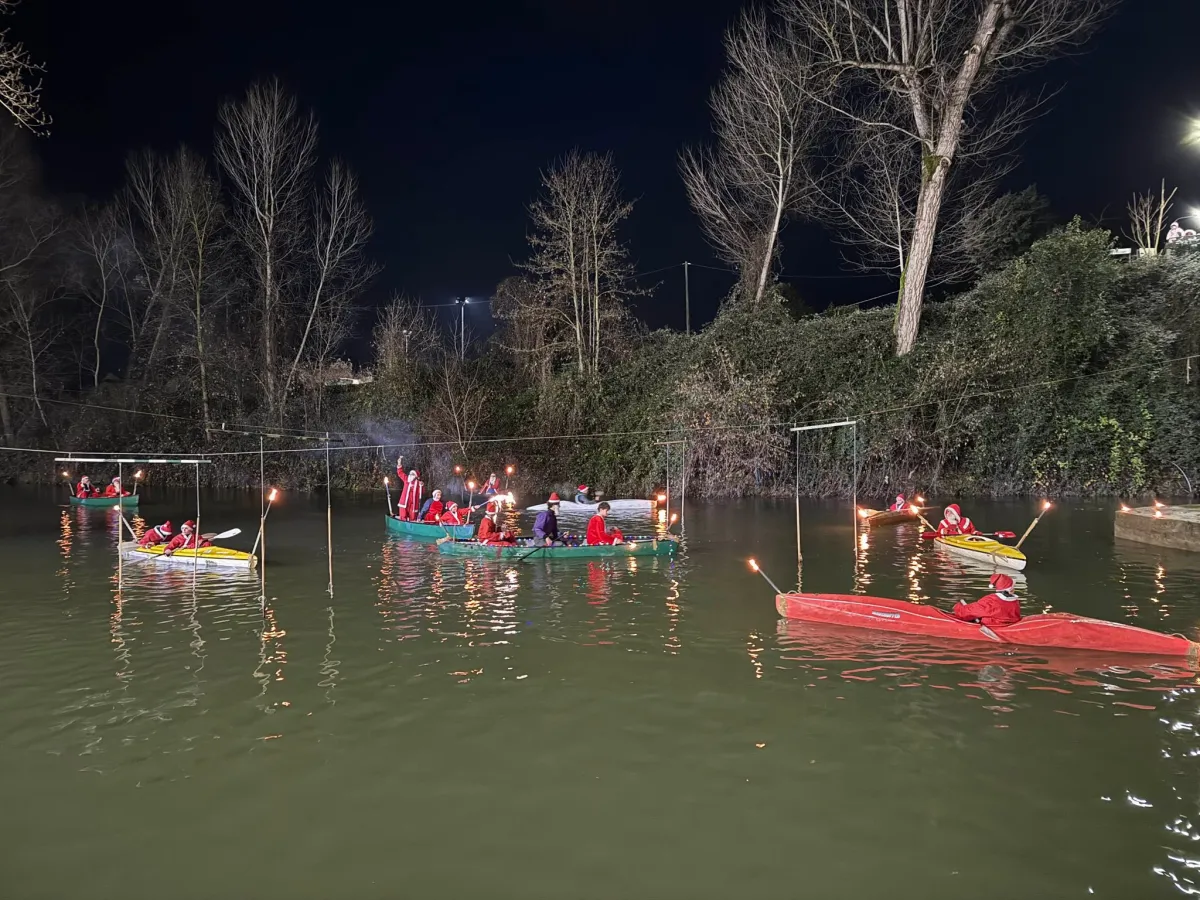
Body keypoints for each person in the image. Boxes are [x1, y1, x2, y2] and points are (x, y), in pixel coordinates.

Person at [953, 573, 1021, 628]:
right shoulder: (1015, 602)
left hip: (992, 626)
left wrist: (958, 608)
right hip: (1007, 625)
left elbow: (966, 612)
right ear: (1011, 589)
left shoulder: (991, 601)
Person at [394, 457, 423, 521]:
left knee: (412, 517)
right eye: (410, 474)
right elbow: (400, 473)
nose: (410, 475)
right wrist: (399, 464)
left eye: (412, 474)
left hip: (413, 503)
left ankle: (412, 527)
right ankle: (402, 526)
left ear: (416, 476)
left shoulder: (418, 483)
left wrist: (421, 486)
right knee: (403, 515)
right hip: (405, 501)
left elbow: (421, 493)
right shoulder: (406, 479)